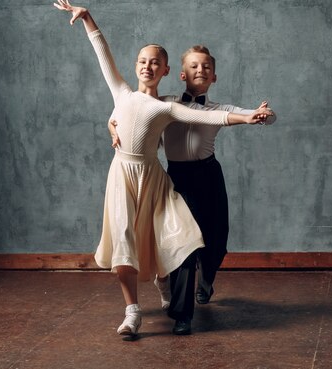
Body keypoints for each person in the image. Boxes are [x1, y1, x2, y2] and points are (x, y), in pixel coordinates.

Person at [53, 0, 272, 336]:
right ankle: (150, 312)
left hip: (179, 175)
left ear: (168, 71)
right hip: (140, 174)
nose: (148, 66)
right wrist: (87, 18)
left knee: (194, 240)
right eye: (143, 61)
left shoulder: (172, 107)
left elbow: (210, 115)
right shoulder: (136, 96)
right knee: (143, 239)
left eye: (155, 63)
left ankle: (186, 284)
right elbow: (104, 59)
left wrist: (248, 116)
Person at [109, 45, 276, 335]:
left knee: (215, 243)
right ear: (183, 74)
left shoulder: (219, 108)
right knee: (183, 244)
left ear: (214, 77)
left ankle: (207, 279)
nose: (201, 71)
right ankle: (182, 315)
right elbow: (128, 114)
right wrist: (112, 127)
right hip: (178, 178)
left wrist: (262, 115)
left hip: (209, 175)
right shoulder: (166, 104)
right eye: (195, 67)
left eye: (207, 67)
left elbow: (258, 116)